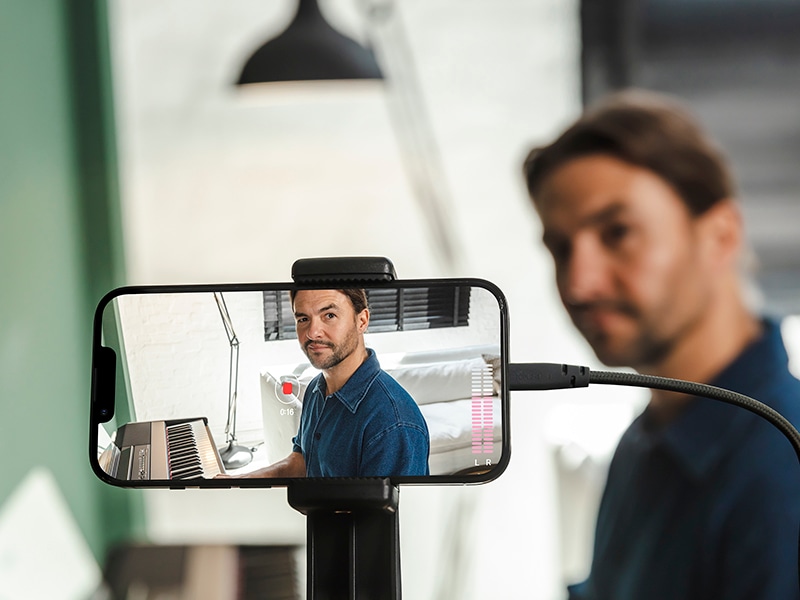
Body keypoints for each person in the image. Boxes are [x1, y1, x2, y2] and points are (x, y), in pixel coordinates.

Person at [522, 89, 800, 600]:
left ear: (719, 235)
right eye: (561, 248)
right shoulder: (644, 440)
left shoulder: (784, 463)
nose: (579, 284)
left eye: (618, 232)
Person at [238, 287, 430, 478]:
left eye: (329, 315)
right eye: (303, 319)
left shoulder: (393, 424)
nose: (312, 333)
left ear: (361, 321)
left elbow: (387, 509)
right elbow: (303, 461)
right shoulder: (316, 388)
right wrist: (243, 482)